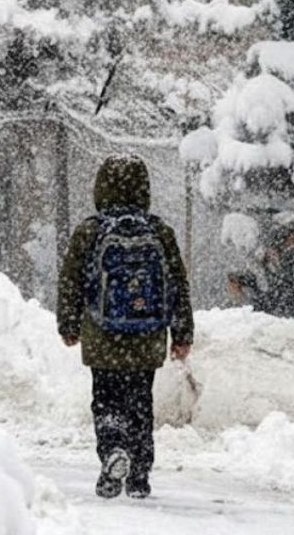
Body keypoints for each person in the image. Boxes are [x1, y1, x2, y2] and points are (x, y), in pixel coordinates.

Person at [57, 155, 193, 500]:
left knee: (106, 399)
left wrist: (69, 323)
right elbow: (177, 284)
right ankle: (140, 476)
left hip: (102, 335)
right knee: (140, 403)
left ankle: (113, 452)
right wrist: (182, 334)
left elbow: (71, 281)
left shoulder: (90, 231)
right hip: (146, 336)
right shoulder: (160, 232)